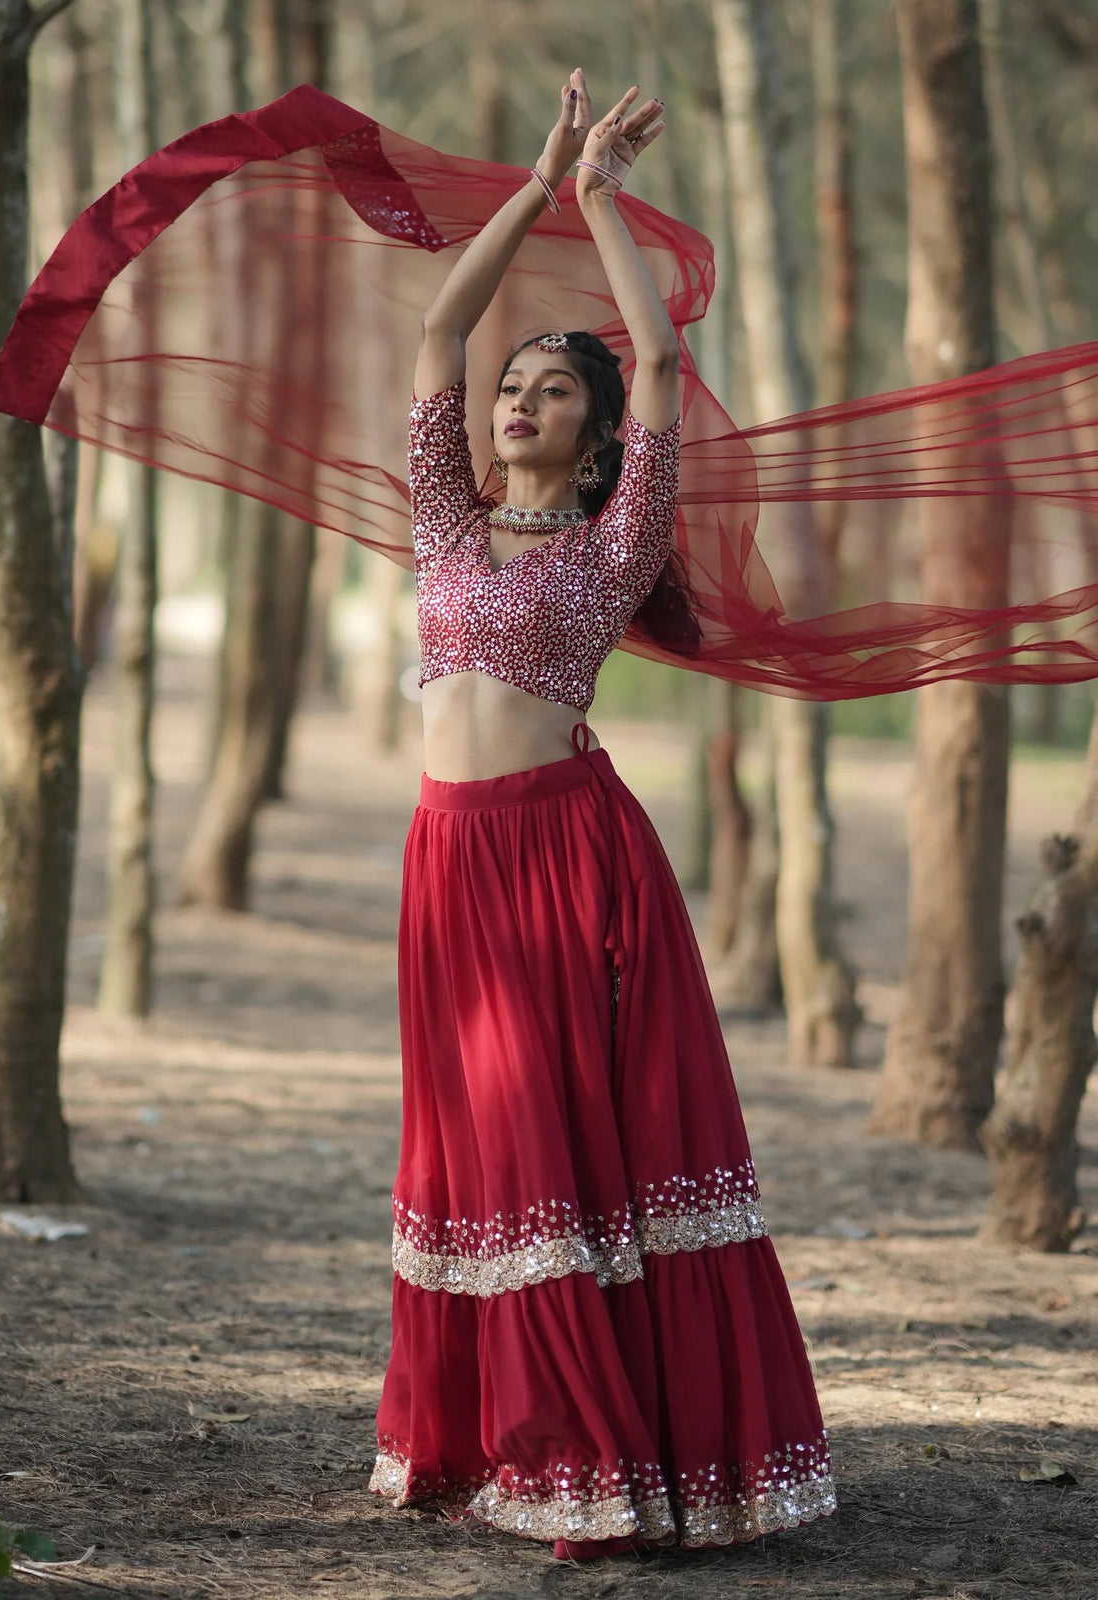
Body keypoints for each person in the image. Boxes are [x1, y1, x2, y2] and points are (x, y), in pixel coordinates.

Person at [369, 68, 836, 1560]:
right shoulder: (445, 513)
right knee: (471, 1150)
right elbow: (441, 330)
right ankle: (480, 1439)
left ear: (596, 432)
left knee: (557, 1151)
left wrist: (602, 205)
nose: (516, 398)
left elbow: (661, 344)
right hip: (449, 859)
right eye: (514, 387)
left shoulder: (621, 535)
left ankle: (583, 1460)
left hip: (566, 864)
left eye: (551, 390)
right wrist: (534, 179)